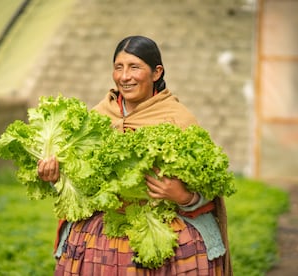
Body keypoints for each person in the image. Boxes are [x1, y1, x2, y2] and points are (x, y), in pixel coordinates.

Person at [38, 35, 232, 276]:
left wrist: (183, 196)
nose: (124, 76)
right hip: (101, 236)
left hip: (167, 231)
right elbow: (82, 182)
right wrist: (57, 176)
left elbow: (210, 184)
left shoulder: (178, 119)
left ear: (156, 72)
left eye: (134, 67)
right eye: (118, 67)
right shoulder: (97, 117)